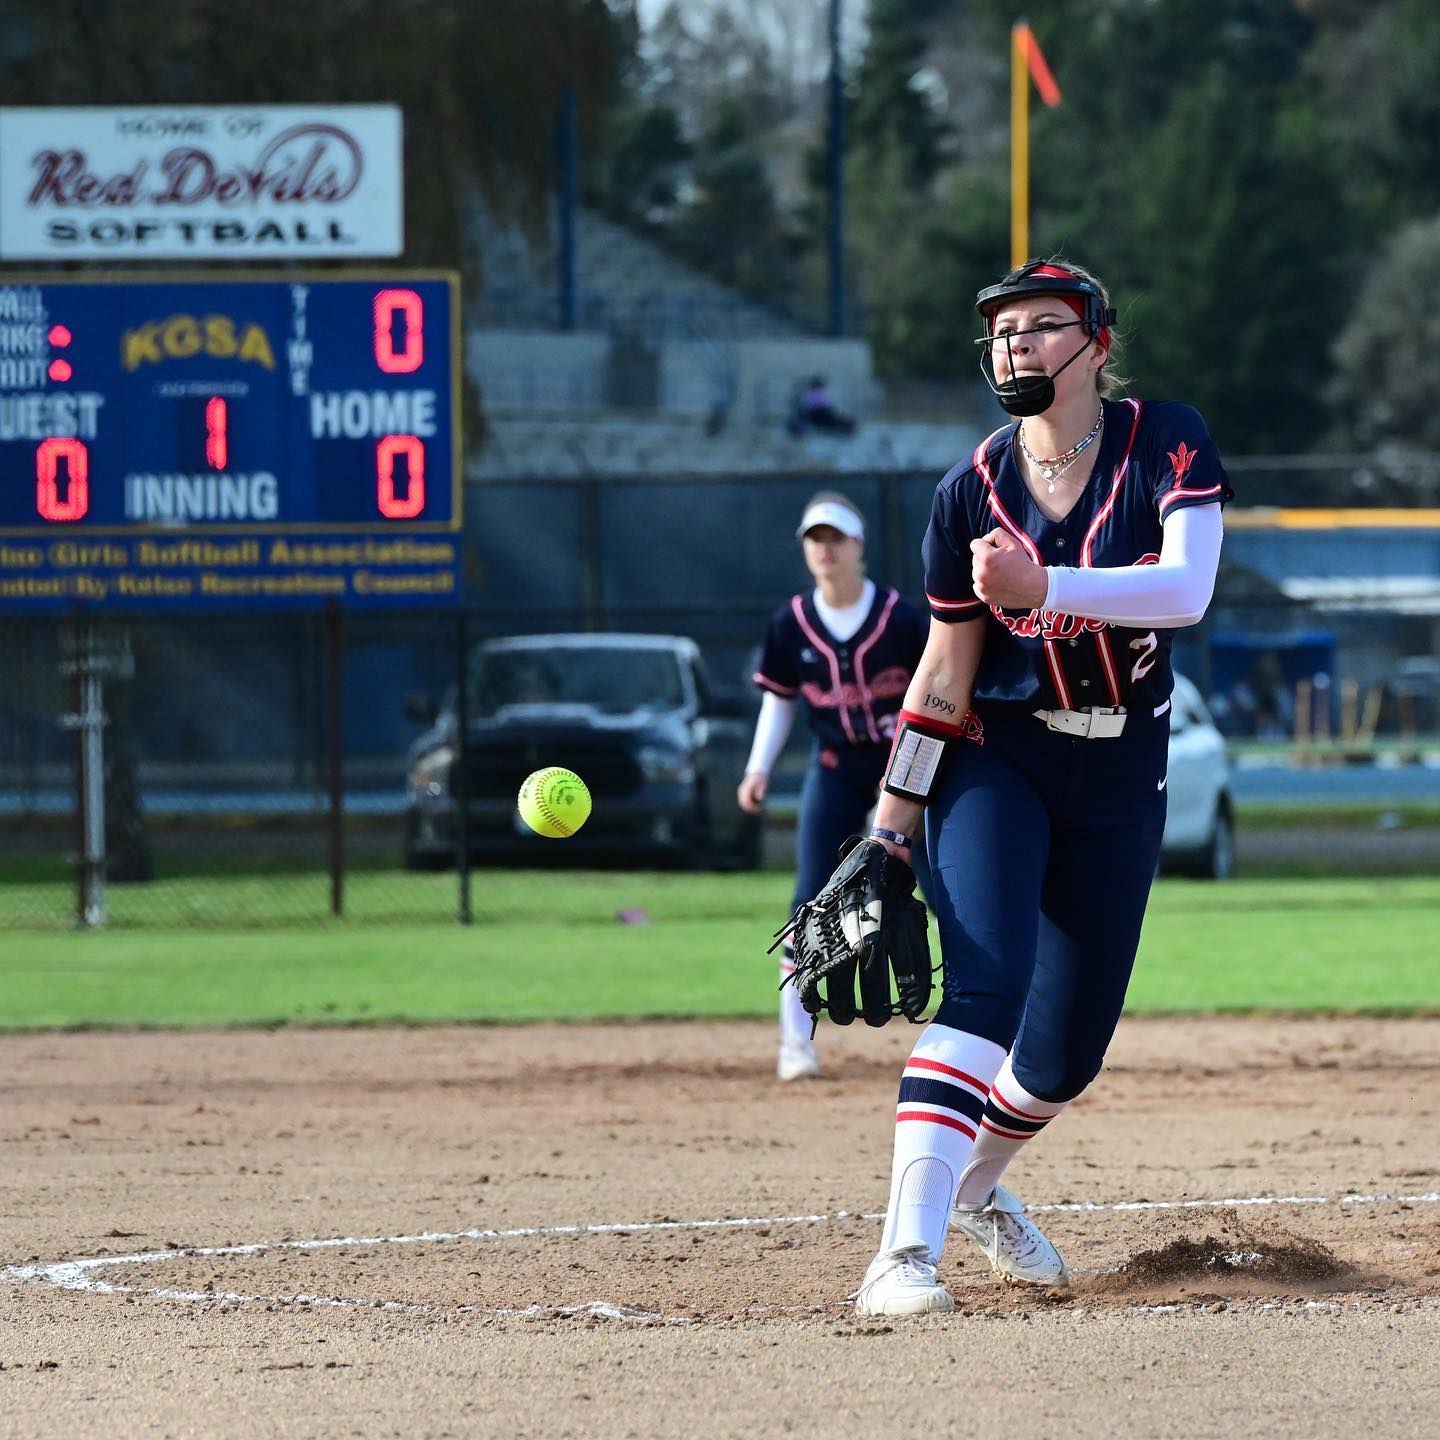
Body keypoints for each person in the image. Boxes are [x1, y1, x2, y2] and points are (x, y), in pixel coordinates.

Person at [848, 258, 1232, 1314]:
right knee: (986, 987)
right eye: (1004, 331)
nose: (1016, 344)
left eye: (1042, 326)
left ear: (1098, 345)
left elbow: (1189, 590)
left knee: (1063, 1057)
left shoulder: (1167, 436)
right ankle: (902, 1258)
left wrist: (1044, 584)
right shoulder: (967, 488)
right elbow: (941, 673)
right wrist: (889, 827)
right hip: (996, 755)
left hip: (1119, 767)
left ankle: (971, 1190)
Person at [739, 492, 931, 1081]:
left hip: (910, 771)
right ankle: (795, 1044)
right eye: (815, 539)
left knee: (947, 897)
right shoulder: (791, 622)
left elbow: (939, 689)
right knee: (807, 902)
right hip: (834, 770)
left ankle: (980, 1034)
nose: (825, 549)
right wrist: (757, 769)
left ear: (859, 547)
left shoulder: (900, 617)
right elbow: (780, 700)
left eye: (836, 538)